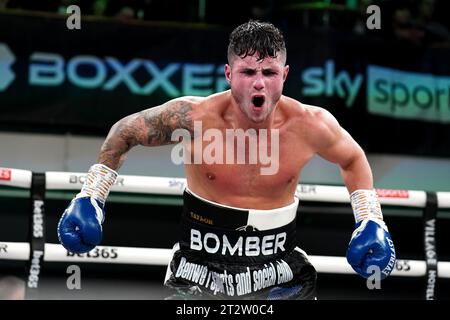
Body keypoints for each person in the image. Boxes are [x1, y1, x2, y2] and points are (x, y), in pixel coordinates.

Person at [57, 20, 396, 300]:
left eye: (269, 72)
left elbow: (352, 158)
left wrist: (370, 219)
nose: (259, 83)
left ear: (286, 75)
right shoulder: (193, 118)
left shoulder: (311, 125)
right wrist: (92, 196)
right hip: (198, 272)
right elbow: (124, 132)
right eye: (248, 71)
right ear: (228, 74)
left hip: (279, 271)